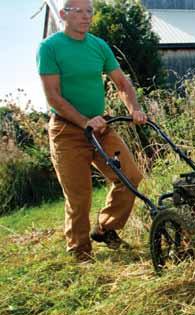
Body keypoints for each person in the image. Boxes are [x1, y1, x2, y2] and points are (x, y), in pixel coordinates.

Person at [37, 0, 147, 262]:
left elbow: (121, 82)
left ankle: (107, 228)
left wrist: (134, 108)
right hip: (66, 131)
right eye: (79, 12)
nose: (86, 17)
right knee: (79, 196)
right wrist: (82, 120)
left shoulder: (98, 46)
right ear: (64, 14)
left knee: (130, 176)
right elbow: (52, 96)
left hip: (100, 126)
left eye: (90, 12)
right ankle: (80, 252)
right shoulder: (50, 47)